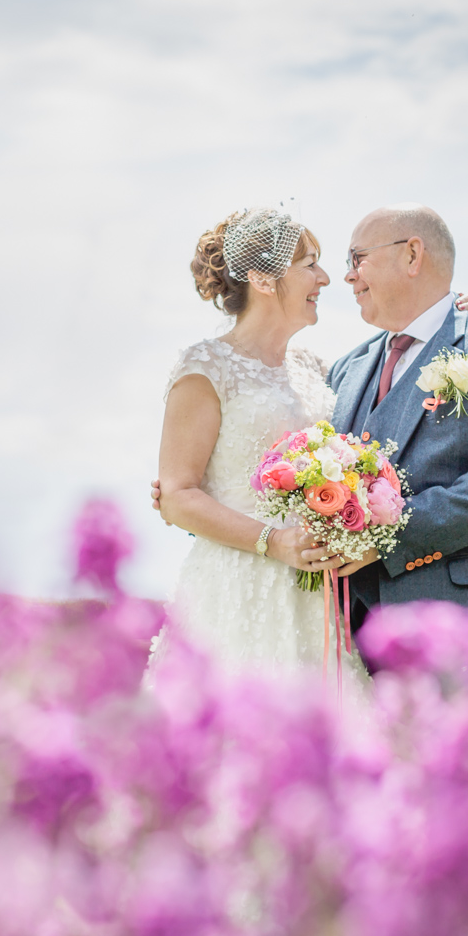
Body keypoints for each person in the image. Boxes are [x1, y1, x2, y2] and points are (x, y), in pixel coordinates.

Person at [147, 207, 364, 691]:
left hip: (312, 592)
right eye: (310, 263)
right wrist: (275, 542)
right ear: (264, 279)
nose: (325, 278)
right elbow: (179, 494)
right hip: (234, 586)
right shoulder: (205, 367)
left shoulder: (314, 368)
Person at [324, 204, 468, 652]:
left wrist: (386, 541)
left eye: (357, 258)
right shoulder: (345, 368)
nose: (347, 277)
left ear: (412, 255)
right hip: (348, 636)